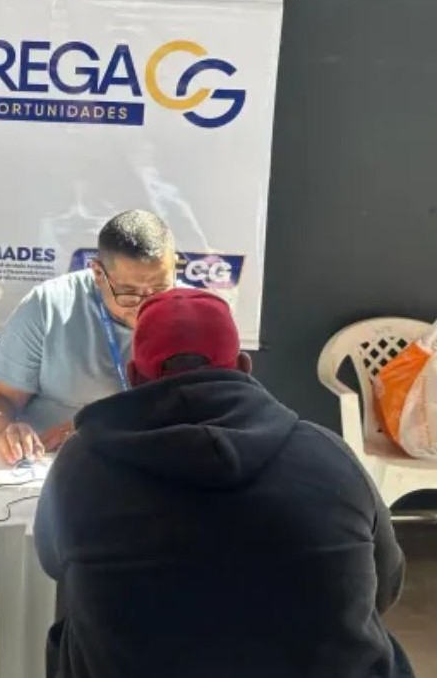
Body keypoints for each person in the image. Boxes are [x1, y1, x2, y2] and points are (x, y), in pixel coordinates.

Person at [34, 289, 414, 678]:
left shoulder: (80, 465)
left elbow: (52, 563)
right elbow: (385, 584)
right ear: (244, 367)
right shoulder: (330, 456)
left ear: (133, 376)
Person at [0, 209, 175, 464]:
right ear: (98, 273)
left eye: (159, 289)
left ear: (174, 267)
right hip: (55, 465)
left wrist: (96, 431)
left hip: (153, 463)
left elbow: (208, 412)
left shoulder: (200, 315)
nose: (145, 304)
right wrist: (7, 431)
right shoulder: (49, 305)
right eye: (129, 292)